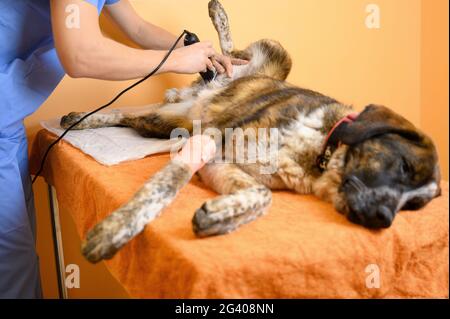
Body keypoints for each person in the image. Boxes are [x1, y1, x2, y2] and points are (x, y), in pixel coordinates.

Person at [0, 0, 246, 298]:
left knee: (19, 254)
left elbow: (136, 27)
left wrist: (193, 49)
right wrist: (176, 62)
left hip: (8, 119)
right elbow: (81, 55)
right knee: (11, 264)